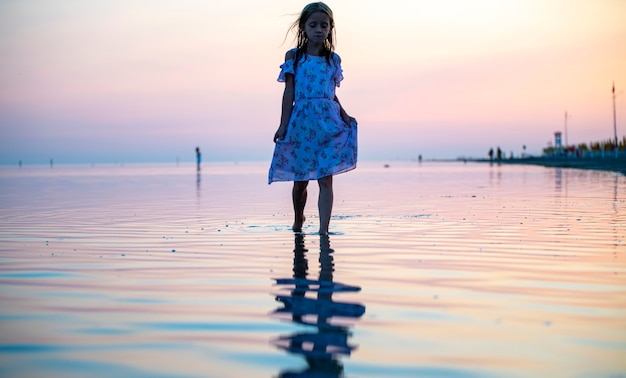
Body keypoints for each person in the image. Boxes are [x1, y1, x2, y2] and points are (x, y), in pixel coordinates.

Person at [268, 2, 358, 235]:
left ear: (330, 29)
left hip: (327, 123)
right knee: (301, 181)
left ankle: (323, 231)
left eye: (324, 25)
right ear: (304, 28)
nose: (319, 29)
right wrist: (283, 124)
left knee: (325, 179)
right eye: (313, 25)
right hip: (302, 123)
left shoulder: (333, 60)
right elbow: (289, 92)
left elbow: (331, 94)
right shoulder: (295, 57)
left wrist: (345, 115)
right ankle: (299, 219)